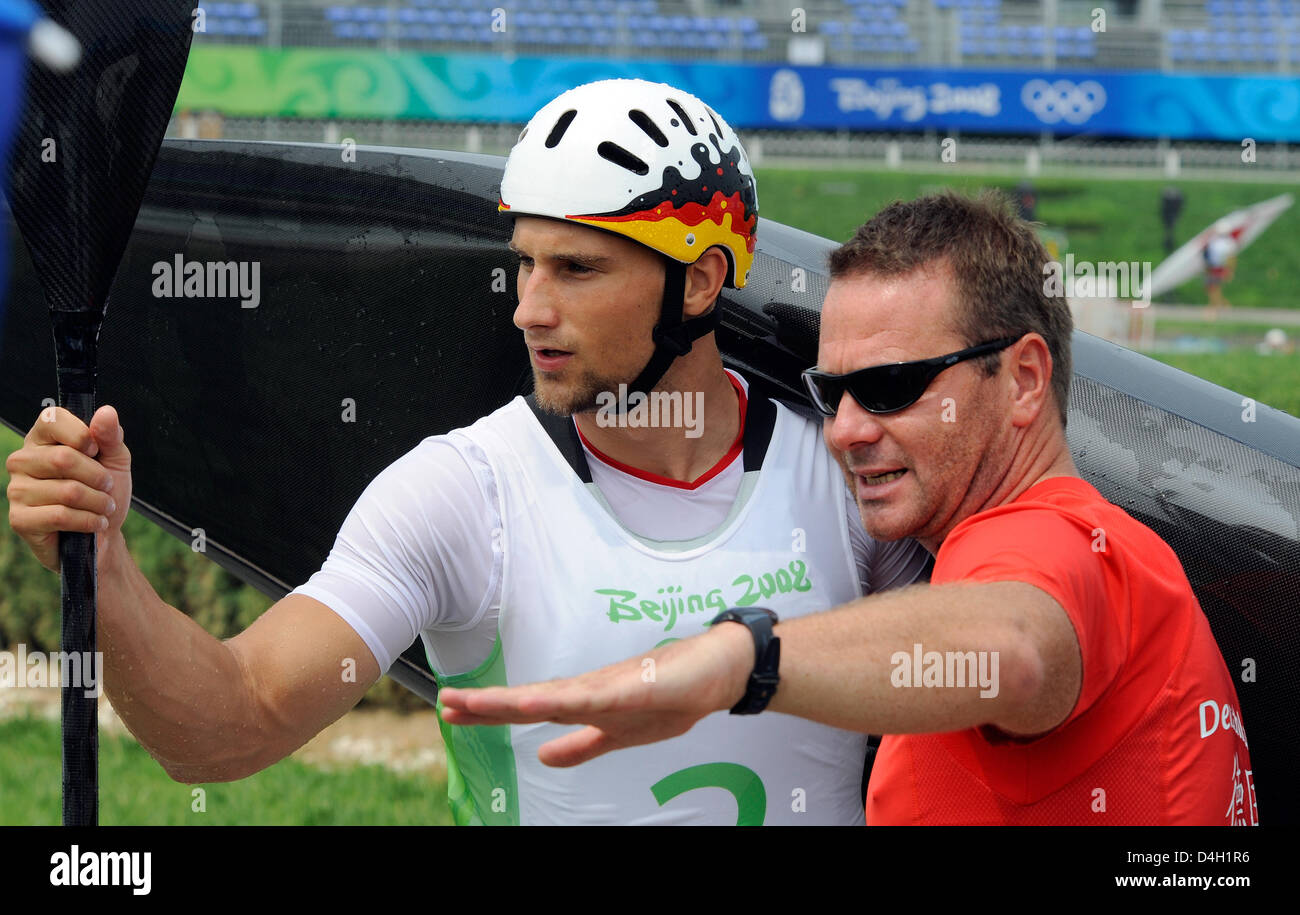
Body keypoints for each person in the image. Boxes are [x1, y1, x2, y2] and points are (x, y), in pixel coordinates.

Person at [4, 78, 928, 826]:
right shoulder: (461, 493)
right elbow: (231, 725)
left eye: (576, 268)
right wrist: (108, 566)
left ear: (699, 280)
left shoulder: (849, 475)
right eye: (525, 263)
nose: (528, 306)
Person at [440, 190, 1259, 826]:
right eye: (829, 393)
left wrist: (737, 660)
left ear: (1025, 379)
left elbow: (1012, 645)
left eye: (891, 386)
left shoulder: (1052, 540)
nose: (845, 431)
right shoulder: (1103, 545)